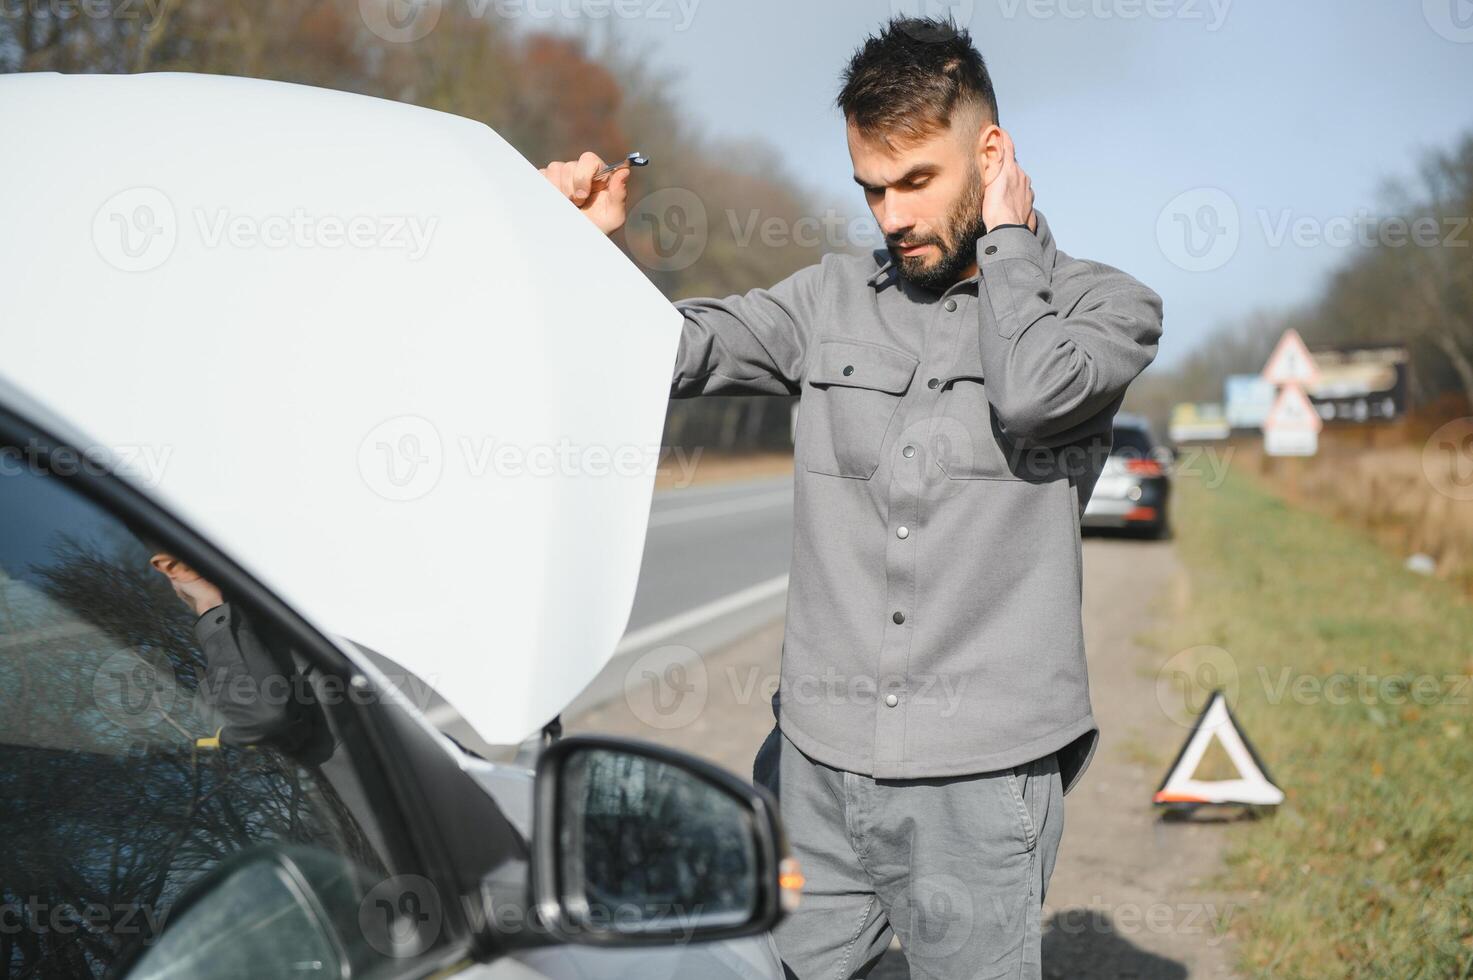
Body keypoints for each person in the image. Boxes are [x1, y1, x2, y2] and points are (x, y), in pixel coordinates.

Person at [542, 16, 1162, 978]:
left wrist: (1003, 238)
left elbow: (1036, 394)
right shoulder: (825, 300)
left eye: (917, 180)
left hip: (981, 784)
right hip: (814, 776)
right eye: (871, 188)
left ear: (991, 153)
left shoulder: (1105, 306)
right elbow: (659, 351)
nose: (891, 216)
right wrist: (576, 251)